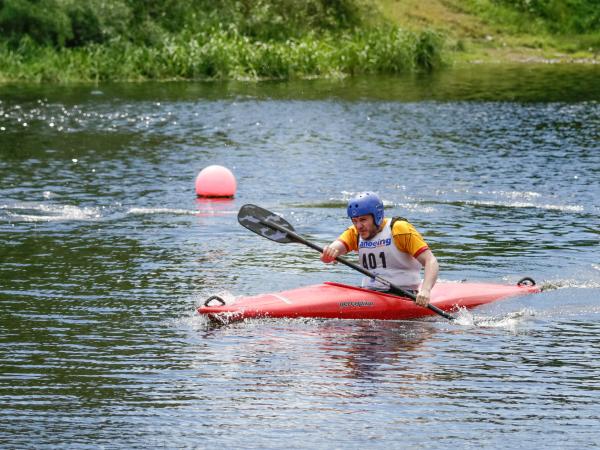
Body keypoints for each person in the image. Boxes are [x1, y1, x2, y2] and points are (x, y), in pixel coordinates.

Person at [320, 192, 439, 307]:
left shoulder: (399, 229)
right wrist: (328, 253)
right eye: (354, 221)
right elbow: (331, 252)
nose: (359, 226)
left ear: (377, 216)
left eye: (363, 220)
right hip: (370, 294)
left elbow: (430, 261)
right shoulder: (355, 233)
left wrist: (426, 290)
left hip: (403, 295)